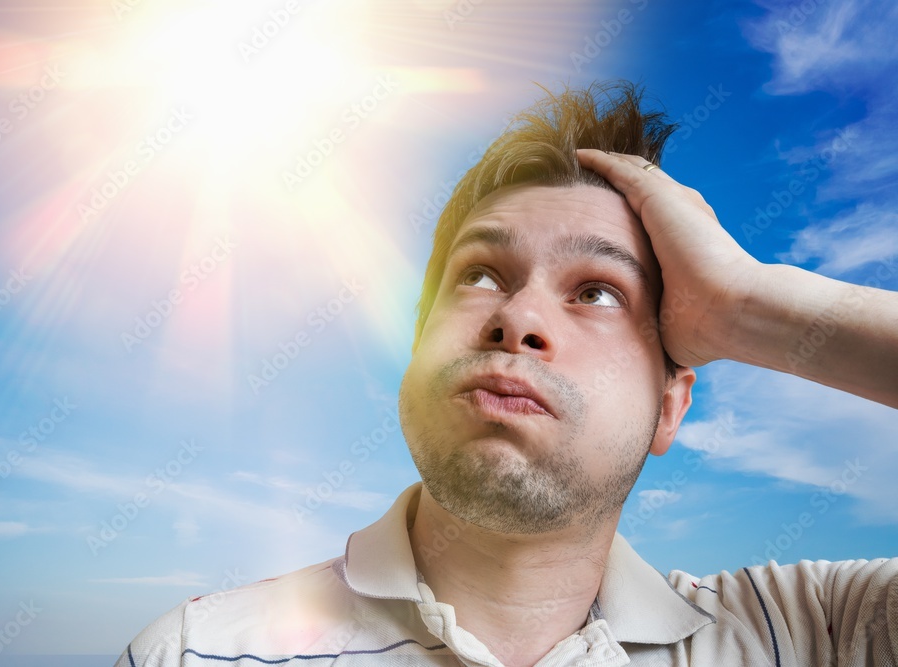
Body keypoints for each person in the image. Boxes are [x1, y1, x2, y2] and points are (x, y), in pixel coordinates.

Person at [115, 82, 898, 666]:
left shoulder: (810, 633)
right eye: (482, 274)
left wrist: (754, 305)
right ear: (418, 347)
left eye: (596, 291)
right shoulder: (192, 653)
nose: (517, 317)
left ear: (670, 407)